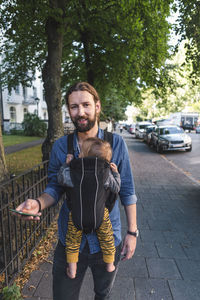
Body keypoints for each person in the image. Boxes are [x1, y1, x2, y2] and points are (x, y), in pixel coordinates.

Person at [14, 82, 138, 300]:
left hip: (109, 237)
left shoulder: (116, 143)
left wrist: (132, 232)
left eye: (86, 105)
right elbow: (54, 187)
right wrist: (38, 203)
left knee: (103, 294)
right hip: (70, 239)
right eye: (74, 107)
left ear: (97, 107)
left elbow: (127, 190)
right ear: (68, 110)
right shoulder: (62, 146)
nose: (80, 112)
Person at [57, 137, 121, 279]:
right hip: (100, 215)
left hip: (76, 214)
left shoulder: (73, 172)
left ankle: (72, 269)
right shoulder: (106, 173)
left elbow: (61, 179)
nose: (78, 154)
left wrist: (66, 165)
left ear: (85, 156)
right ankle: (110, 264)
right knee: (107, 238)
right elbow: (116, 188)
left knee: (72, 240)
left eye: (81, 152)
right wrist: (115, 173)